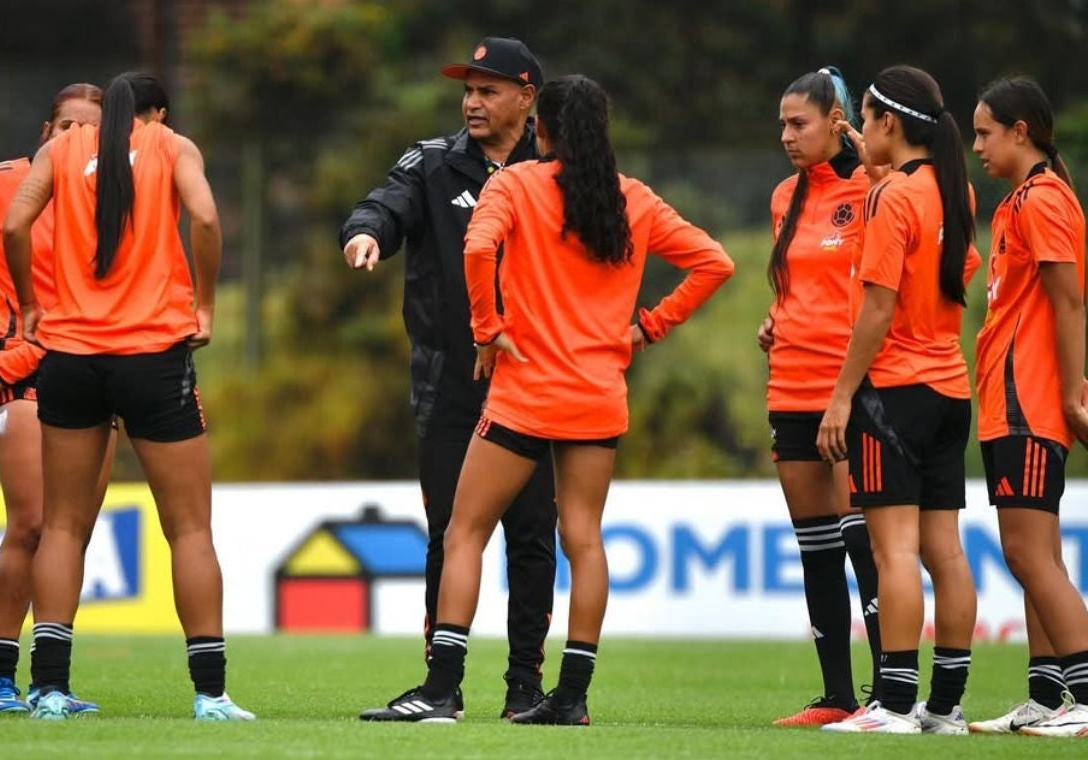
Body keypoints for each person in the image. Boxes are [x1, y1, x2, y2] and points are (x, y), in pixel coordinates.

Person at [361, 74, 734, 725]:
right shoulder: (631, 199)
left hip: (526, 392)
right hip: (596, 396)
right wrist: (649, 327)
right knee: (583, 540)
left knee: (464, 532)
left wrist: (488, 330)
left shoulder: (515, 184)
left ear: (543, 128)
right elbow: (715, 262)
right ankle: (570, 698)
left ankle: (443, 688)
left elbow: (478, 245)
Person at [3, 71, 251, 722]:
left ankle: (49, 689)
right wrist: (204, 305)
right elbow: (203, 216)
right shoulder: (171, 145)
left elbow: (13, 223)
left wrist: (31, 305)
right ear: (156, 113)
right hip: (153, 357)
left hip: (71, 358)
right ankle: (210, 695)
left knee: (61, 525)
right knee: (190, 528)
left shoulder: (60, 150)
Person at [342, 37, 557, 719]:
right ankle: (443, 684)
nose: (472, 100)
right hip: (448, 383)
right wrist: (366, 231)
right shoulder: (432, 161)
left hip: (533, 380)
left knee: (530, 534)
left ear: (526, 98)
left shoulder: (557, 168)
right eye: (468, 88)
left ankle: (526, 686)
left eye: (489, 89)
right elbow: (385, 202)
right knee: (447, 531)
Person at [0, 83, 113, 715]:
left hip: (94, 371)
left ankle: (51, 683)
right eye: (65, 126)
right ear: (45, 130)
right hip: (19, 374)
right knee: (34, 524)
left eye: (88, 130)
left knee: (72, 533)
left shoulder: (109, 196)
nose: (74, 139)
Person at [818, 65, 980, 735]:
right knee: (945, 551)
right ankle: (943, 707)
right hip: (950, 387)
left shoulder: (892, 201)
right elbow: (958, 269)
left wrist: (840, 397)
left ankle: (891, 704)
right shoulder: (955, 189)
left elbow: (878, 307)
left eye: (869, 121)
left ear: (887, 124)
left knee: (893, 553)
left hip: (894, 391)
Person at [758, 66, 882, 727]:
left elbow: (931, 266)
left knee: (864, 539)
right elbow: (803, 284)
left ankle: (892, 696)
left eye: (798, 122)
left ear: (838, 124)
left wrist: (872, 161)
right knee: (816, 548)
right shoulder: (784, 196)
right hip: (791, 385)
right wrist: (778, 318)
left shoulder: (876, 189)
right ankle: (838, 696)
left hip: (853, 389)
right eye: (781, 123)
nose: (786, 134)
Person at [966, 76, 1088, 739]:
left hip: (1030, 399)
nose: (976, 144)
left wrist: (1073, 394)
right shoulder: (1021, 202)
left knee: (1027, 553)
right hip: (1011, 399)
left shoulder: (1043, 200)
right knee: (1038, 553)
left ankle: (1087, 695)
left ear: (1021, 132)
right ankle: (1048, 695)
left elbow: (1070, 301)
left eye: (985, 132)